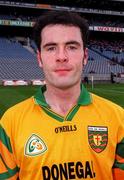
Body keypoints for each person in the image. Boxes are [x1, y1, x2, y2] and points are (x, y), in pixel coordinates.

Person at [0, 11, 124, 180]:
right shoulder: (10, 123)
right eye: (51, 48)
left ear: (85, 56)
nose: (61, 57)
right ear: (39, 59)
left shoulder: (118, 118)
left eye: (71, 47)